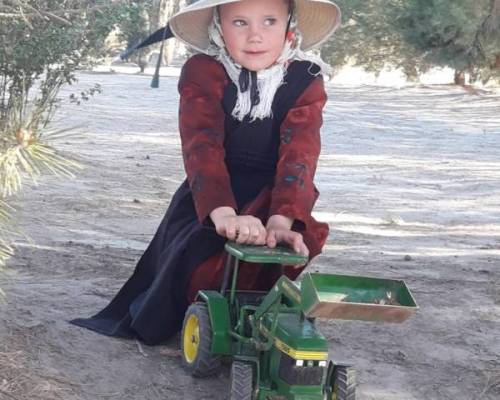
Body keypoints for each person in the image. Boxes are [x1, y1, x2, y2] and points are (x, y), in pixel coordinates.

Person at [71, 0, 341, 345]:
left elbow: (300, 156)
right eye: (240, 22)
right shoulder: (203, 71)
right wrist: (223, 212)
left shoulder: (306, 79)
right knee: (197, 255)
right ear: (218, 26)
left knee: (281, 248)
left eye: (270, 21)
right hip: (211, 192)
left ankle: (253, 310)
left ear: (290, 23)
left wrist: (281, 219)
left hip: (272, 195)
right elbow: (202, 146)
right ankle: (195, 315)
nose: (255, 35)